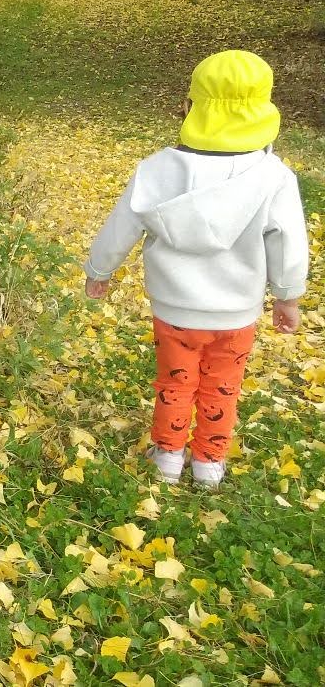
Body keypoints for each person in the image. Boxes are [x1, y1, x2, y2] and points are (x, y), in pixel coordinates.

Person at [84, 50, 308, 489]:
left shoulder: (160, 168)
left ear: (191, 106)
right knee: (223, 384)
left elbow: (123, 223)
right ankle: (209, 463)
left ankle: (167, 455)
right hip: (236, 312)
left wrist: (100, 269)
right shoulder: (273, 177)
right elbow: (288, 241)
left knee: (175, 380)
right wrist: (287, 295)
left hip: (175, 309)